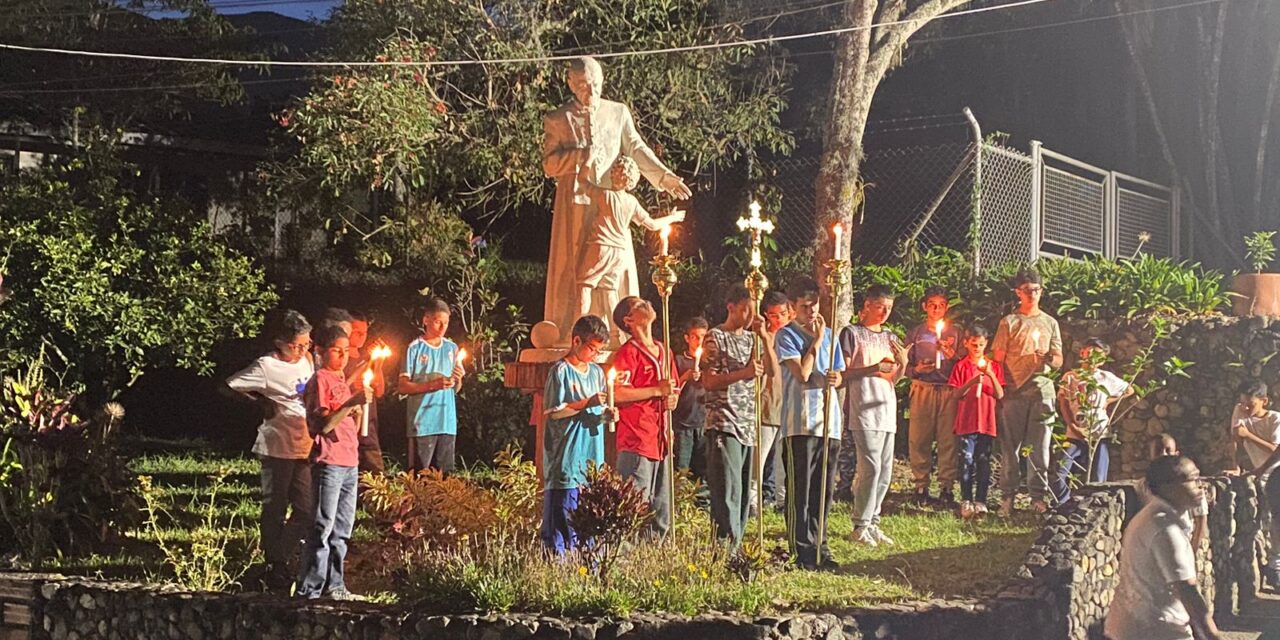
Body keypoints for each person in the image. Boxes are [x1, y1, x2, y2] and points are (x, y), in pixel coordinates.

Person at [541, 56, 691, 342]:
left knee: (613, 270)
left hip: (611, 203)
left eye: (596, 83)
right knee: (576, 270)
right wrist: (581, 156)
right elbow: (549, 164)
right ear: (572, 85)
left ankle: (617, 333)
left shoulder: (617, 112)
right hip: (576, 203)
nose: (592, 90)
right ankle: (574, 335)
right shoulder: (558, 118)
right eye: (584, 85)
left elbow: (635, 147)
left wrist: (663, 177)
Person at [224, 310, 315, 588]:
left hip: (305, 443)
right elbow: (229, 387)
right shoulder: (265, 366)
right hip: (277, 444)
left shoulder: (307, 360)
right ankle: (274, 563)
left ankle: (281, 556)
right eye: (296, 345)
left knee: (306, 508)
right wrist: (258, 403)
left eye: (306, 344)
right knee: (275, 506)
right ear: (280, 342)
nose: (301, 350)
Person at [1104, 455, 1222, 640]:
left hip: (1139, 626)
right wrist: (1213, 635)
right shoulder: (1165, 528)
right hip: (1156, 630)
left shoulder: (1158, 516)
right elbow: (1187, 591)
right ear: (1168, 487)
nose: (1201, 485)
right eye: (1192, 479)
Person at [297, 324, 373, 600]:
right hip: (328, 461)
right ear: (320, 352)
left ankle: (336, 586)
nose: (342, 357)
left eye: (345, 351)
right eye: (336, 351)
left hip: (349, 462)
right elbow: (324, 425)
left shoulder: (341, 379)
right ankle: (311, 588)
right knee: (322, 526)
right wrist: (351, 402)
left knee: (342, 529)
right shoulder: (320, 381)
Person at [776, 279, 845, 570]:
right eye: (804, 307)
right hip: (800, 421)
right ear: (793, 308)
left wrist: (835, 379)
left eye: (814, 305)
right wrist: (815, 343)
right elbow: (803, 373)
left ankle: (821, 546)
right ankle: (801, 547)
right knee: (801, 489)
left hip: (828, 422)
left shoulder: (830, 334)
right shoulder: (786, 334)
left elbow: (839, 374)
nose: (811, 312)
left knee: (823, 490)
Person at [575, 155, 685, 338]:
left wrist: (587, 160)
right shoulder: (631, 202)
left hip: (601, 245)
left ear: (614, 175)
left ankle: (579, 332)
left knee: (584, 285)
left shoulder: (605, 195)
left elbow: (582, 183)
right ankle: (615, 335)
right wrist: (672, 218)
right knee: (610, 290)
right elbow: (652, 224)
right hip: (619, 252)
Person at [702, 285, 776, 547]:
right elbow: (708, 381)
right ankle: (724, 548)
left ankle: (738, 543)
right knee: (727, 490)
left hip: (748, 423)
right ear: (731, 306)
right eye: (745, 309)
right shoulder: (715, 337)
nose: (749, 315)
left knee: (744, 490)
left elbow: (772, 372)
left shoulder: (751, 339)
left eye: (753, 310)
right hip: (724, 421)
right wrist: (743, 374)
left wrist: (766, 338)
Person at [541, 315, 615, 555]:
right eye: (592, 349)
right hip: (567, 458)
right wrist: (586, 402)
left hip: (591, 458)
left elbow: (598, 411)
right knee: (562, 520)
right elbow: (554, 413)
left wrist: (608, 415)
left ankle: (588, 568)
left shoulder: (596, 373)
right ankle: (558, 568)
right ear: (576, 341)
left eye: (599, 351)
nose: (595, 355)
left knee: (589, 523)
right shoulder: (560, 372)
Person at [840, 284, 907, 546]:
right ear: (866, 305)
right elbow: (844, 373)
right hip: (863, 409)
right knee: (870, 467)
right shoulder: (852, 334)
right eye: (880, 307)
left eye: (889, 308)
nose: (884, 313)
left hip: (886, 409)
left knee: (886, 471)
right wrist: (871, 368)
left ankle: (873, 521)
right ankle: (860, 524)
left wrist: (903, 364)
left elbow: (894, 379)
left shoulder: (890, 336)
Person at [992, 269, 1063, 516]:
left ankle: (1037, 497)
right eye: (1026, 290)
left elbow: (1058, 360)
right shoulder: (1009, 322)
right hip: (1014, 392)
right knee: (1010, 446)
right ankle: (1007, 497)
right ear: (1018, 292)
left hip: (1042, 390)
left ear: (1041, 291)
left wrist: (1049, 358)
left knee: (1041, 446)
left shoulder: (1050, 322)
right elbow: (997, 358)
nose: (1031, 294)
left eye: (1035, 289)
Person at [610, 296, 680, 537]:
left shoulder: (664, 350)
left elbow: (674, 390)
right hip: (637, 438)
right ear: (628, 320)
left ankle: (653, 559)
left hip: (661, 439)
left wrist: (671, 398)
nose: (647, 304)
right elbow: (617, 393)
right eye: (639, 305)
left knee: (661, 509)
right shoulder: (628, 353)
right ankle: (625, 557)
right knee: (635, 503)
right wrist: (656, 390)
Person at [1053, 338, 1132, 502]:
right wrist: (1073, 426)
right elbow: (1064, 403)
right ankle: (1063, 502)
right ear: (1082, 352)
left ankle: (1093, 505)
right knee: (1060, 469)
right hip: (1075, 432)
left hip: (1098, 432)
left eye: (1098, 356)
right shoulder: (1071, 377)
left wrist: (1108, 401)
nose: (1092, 358)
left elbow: (1129, 390)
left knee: (1098, 474)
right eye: (1089, 353)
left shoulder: (1105, 377)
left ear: (1102, 360)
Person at [904, 286, 962, 505]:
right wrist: (917, 370)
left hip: (947, 389)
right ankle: (921, 486)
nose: (936, 309)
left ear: (946, 307)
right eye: (932, 305)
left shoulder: (955, 333)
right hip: (923, 388)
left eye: (941, 305)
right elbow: (904, 363)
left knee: (948, 440)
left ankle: (947, 486)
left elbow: (963, 362)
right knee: (919, 438)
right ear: (924, 306)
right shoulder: (916, 333)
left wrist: (951, 354)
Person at [398, 298, 466, 474]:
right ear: (426, 320)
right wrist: (431, 385)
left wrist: (458, 380)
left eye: (446, 323)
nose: (442, 327)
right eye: (438, 322)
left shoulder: (452, 348)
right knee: (421, 478)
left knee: (445, 481)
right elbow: (403, 387)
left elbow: (455, 389)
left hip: (446, 422)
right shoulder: (414, 348)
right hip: (423, 423)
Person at [949, 325, 1004, 519]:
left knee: (983, 461)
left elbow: (999, 393)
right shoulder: (962, 366)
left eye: (981, 344)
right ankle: (966, 499)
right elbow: (956, 394)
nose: (977, 348)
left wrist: (989, 375)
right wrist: (972, 382)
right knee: (966, 460)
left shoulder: (994, 366)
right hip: (967, 420)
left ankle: (981, 500)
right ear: (966, 343)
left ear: (986, 344)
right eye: (974, 344)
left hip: (987, 421)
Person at [1233, 382, 1280, 586]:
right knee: (1272, 519)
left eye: (1250, 405)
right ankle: (1275, 565)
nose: (1245, 409)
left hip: (1275, 470)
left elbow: (1276, 449)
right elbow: (1234, 439)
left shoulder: (1275, 419)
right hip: (1261, 474)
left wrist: (1249, 436)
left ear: (1264, 401)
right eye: (1243, 404)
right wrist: (1235, 466)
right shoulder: (1240, 412)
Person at [1140, 434, 1208, 553]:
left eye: (1168, 450)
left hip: (1182, 542)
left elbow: (1201, 519)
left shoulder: (1192, 485)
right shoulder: (1143, 487)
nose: (1164, 455)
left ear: (1176, 454)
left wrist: (1192, 551)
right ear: (1149, 455)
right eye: (1158, 451)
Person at [756, 291, 791, 512]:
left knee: (783, 461)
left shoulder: (794, 337)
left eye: (782, 314)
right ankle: (752, 499)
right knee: (759, 459)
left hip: (789, 407)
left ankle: (781, 501)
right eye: (772, 315)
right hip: (767, 405)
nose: (777, 320)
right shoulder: (761, 339)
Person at [344, 311, 387, 474]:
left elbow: (380, 391)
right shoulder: (342, 358)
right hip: (349, 423)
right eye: (357, 332)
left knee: (374, 470)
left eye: (365, 333)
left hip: (369, 425)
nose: (362, 336)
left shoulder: (367, 357)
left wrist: (378, 364)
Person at [673, 316, 709, 506]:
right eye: (695, 336)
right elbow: (672, 389)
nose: (699, 341)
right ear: (687, 338)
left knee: (703, 466)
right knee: (682, 467)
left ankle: (702, 504)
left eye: (703, 336)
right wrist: (685, 377)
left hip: (703, 421)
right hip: (683, 422)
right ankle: (681, 504)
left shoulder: (709, 362)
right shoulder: (678, 361)